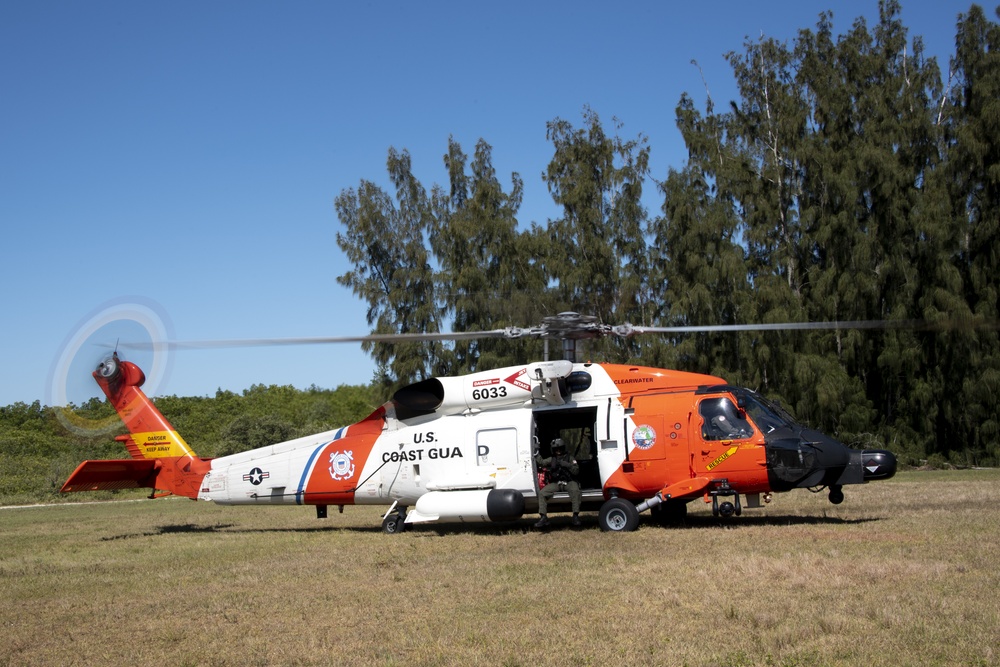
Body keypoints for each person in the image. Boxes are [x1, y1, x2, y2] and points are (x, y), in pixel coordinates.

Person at [534, 438, 582, 527]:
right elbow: (541, 462)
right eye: (556, 449)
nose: (558, 451)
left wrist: (568, 465)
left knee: (575, 491)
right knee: (542, 493)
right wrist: (536, 451)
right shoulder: (552, 459)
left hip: (569, 482)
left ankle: (575, 516)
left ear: (563, 448)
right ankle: (543, 517)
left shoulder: (570, 458)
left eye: (560, 449)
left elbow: (576, 471)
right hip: (556, 483)